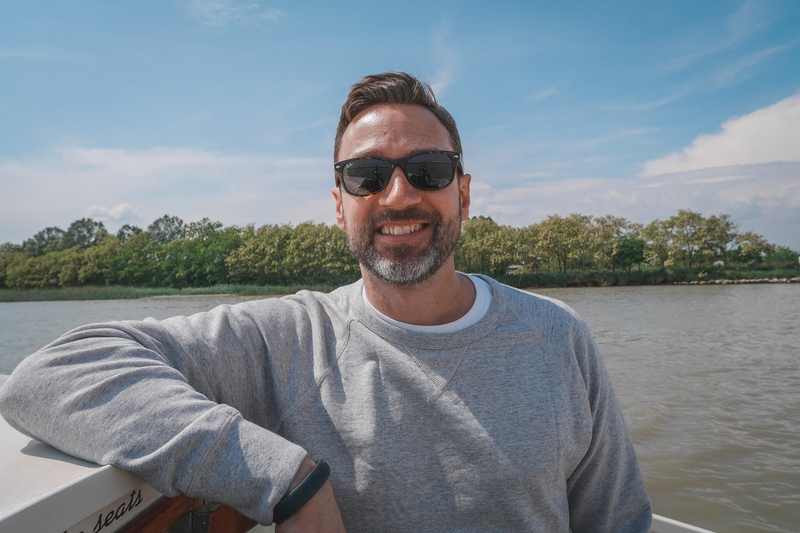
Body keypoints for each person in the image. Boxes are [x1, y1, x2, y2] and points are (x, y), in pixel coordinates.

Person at [0, 72, 652, 532]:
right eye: (367, 175)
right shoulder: (290, 336)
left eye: (428, 170)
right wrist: (288, 480)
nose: (398, 195)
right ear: (339, 203)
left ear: (465, 192)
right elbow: (54, 375)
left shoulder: (560, 336)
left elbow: (617, 521)